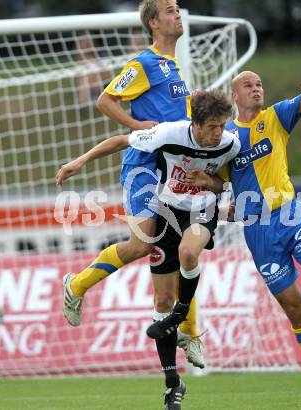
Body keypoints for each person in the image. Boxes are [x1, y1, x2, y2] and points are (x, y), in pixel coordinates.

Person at [159, 71, 301, 409]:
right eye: (249, 85)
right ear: (236, 95)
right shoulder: (226, 138)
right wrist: (209, 184)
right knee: (294, 309)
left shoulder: (276, 117)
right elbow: (222, 183)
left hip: (290, 216)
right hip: (258, 230)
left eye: (260, 84)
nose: (257, 89)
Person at [57, 90, 240, 409]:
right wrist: (80, 161)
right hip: (170, 209)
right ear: (195, 123)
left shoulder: (230, 143)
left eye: (221, 126)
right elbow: (121, 141)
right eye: (212, 126)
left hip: (201, 209)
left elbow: (230, 183)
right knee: (161, 299)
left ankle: (185, 321)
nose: (218, 133)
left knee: (188, 253)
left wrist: (212, 186)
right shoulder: (170, 133)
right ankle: (172, 383)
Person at [62, 0, 206, 370]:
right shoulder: (145, 63)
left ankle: (190, 332)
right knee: (142, 244)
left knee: (183, 249)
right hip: (144, 168)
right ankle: (77, 286)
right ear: (154, 23)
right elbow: (105, 100)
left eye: (178, 9)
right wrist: (136, 125)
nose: (178, 14)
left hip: (174, 171)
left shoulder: (174, 68)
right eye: (171, 10)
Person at [75, 34, 111, 106]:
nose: (87, 45)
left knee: (96, 69)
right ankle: (84, 102)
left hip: (100, 84)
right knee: (86, 74)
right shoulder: (80, 58)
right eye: (84, 42)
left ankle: (96, 96)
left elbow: (107, 75)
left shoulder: (97, 57)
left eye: (88, 42)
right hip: (87, 87)